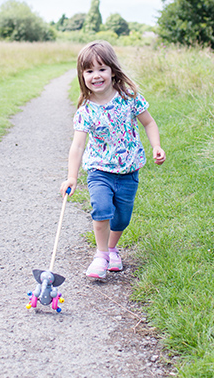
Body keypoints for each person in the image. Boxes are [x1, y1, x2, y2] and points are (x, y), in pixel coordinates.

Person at [60, 40, 165, 279]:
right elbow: (77, 146)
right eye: (89, 71)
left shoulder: (129, 97)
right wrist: (72, 177)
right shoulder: (85, 111)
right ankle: (100, 255)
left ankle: (112, 248)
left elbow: (148, 122)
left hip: (129, 169)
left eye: (101, 69)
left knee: (122, 217)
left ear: (112, 71)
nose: (96, 76)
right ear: (82, 75)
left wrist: (156, 146)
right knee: (102, 209)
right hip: (100, 170)